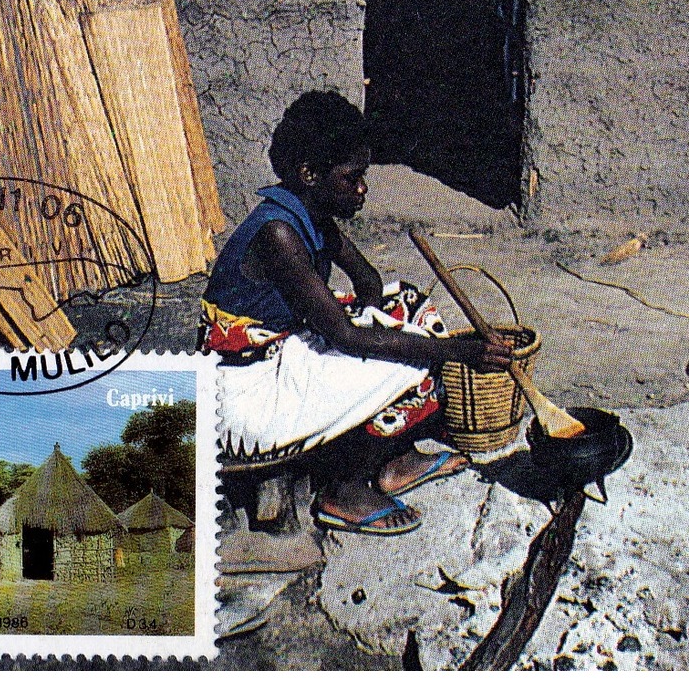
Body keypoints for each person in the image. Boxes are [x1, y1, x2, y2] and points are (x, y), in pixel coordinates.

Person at [202, 90, 512, 535]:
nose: (363, 188)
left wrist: (374, 325)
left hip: (279, 352)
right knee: (419, 354)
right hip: (243, 395)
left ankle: (393, 461)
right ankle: (342, 488)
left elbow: (368, 283)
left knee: (408, 307)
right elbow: (348, 338)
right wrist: (454, 351)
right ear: (309, 174)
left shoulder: (311, 214)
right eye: (352, 178)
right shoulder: (277, 234)